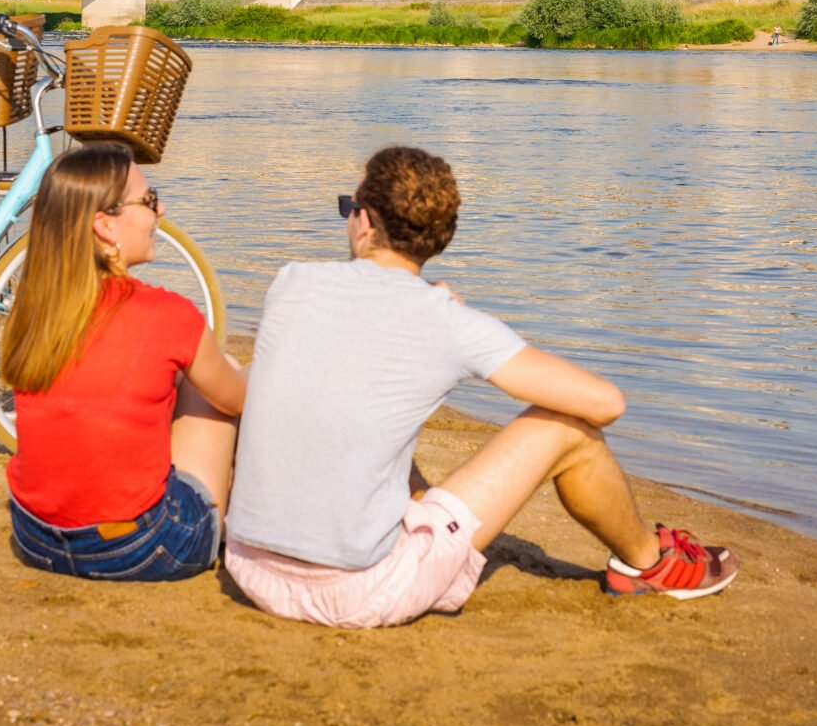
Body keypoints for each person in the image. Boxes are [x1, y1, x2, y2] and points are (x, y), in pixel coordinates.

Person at [225, 146, 737, 628]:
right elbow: (605, 403)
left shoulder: (290, 283)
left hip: (250, 566)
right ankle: (648, 564)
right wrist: (453, 327)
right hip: (359, 591)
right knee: (568, 428)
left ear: (363, 222)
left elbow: (358, 334)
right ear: (439, 239)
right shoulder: (446, 323)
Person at [1, 143, 244, 582]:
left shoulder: (34, 309)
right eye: (149, 201)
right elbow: (238, 399)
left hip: (36, 536)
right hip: (137, 548)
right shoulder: (166, 314)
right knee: (215, 375)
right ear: (105, 226)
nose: (161, 209)